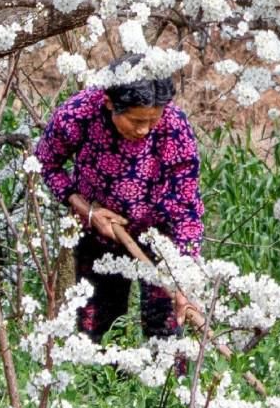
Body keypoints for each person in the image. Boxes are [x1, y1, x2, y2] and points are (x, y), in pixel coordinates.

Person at [35, 54, 204, 343]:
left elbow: (186, 208)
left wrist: (184, 276)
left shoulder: (174, 127)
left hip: (160, 240)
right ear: (110, 103)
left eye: (153, 119)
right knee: (96, 328)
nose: (144, 129)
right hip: (99, 236)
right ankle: (105, 385)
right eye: (136, 120)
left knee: (166, 329)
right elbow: (46, 162)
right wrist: (87, 212)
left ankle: (165, 385)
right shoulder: (79, 113)